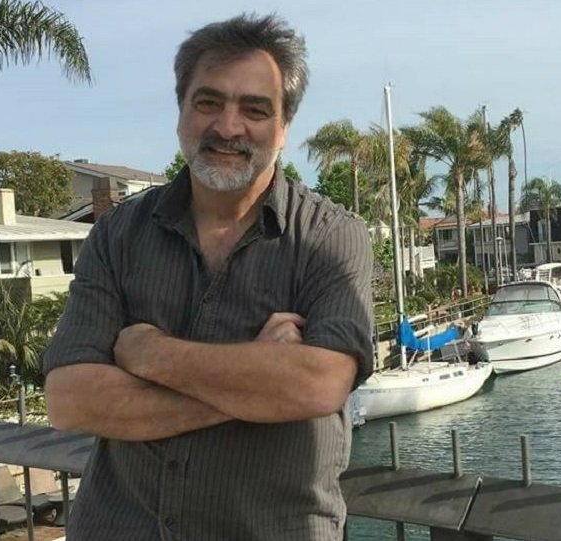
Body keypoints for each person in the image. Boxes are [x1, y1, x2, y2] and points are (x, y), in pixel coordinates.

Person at [42, 13, 373, 541]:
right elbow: (69, 399)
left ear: (283, 129)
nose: (229, 126)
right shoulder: (118, 234)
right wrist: (260, 383)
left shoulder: (330, 237)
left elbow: (319, 385)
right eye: (208, 102)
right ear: (181, 114)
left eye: (255, 109)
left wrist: (148, 353)